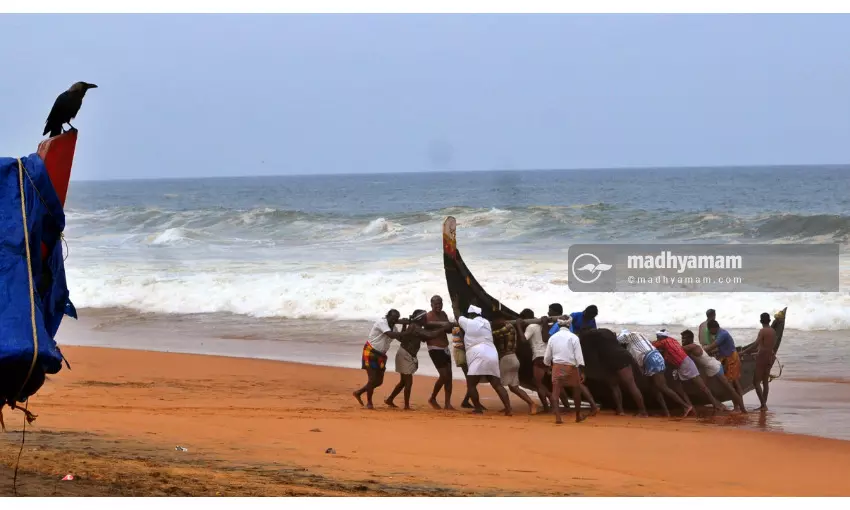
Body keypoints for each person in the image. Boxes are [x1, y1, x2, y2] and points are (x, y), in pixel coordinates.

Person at [617, 329, 692, 417]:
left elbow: (621, 340)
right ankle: (666, 412)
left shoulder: (629, 337)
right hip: (656, 356)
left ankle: (685, 406)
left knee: (662, 386)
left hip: (651, 359)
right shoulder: (639, 335)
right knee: (655, 388)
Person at [385, 310, 450, 410]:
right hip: (405, 355)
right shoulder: (415, 327)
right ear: (420, 319)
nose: (426, 320)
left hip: (406, 355)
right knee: (408, 382)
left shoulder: (414, 327)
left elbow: (405, 337)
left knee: (403, 382)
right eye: (425, 318)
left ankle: (390, 399)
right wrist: (443, 328)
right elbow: (430, 335)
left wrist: (404, 327)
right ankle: (406, 406)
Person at [578, 327, 648, 417]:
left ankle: (622, 410)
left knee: (615, 386)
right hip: (622, 356)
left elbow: (590, 358)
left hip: (609, 361)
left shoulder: (586, 341)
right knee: (631, 385)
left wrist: (584, 371)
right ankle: (641, 410)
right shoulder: (606, 332)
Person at [457, 305, 513, 415]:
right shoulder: (487, 323)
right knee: (496, 384)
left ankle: (478, 408)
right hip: (492, 352)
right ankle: (508, 408)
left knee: (471, 384)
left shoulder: (468, 322)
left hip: (477, 353)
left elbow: (458, 317)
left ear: (471, 315)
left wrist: (457, 305)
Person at [653, 330, 726, 413]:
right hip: (681, 365)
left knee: (701, 387)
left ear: (662, 337)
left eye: (658, 337)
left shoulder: (664, 342)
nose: (657, 338)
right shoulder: (672, 340)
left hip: (685, 364)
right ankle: (690, 407)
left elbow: (652, 345)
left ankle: (714, 405)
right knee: (684, 388)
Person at [682, 329, 746, 413]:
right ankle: (719, 404)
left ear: (690, 339)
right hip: (709, 368)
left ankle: (743, 410)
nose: (682, 340)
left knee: (730, 389)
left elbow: (678, 349)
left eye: (684, 338)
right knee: (705, 389)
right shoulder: (691, 347)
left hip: (714, 367)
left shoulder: (692, 346)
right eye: (682, 338)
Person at [544, 318, 590, 424]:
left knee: (555, 392)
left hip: (557, 366)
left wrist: (547, 366)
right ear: (570, 325)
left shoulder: (552, 338)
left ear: (558, 325)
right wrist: (582, 371)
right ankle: (578, 416)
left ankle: (558, 418)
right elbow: (579, 356)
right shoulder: (574, 337)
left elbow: (547, 357)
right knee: (576, 391)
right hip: (571, 367)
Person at [354, 309, 403, 409]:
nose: (394, 321)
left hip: (381, 355)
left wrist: (405, 326)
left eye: (396, 320)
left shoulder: (393, 327)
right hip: (370, 351)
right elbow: (391, 335)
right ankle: (369, 403)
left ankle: (358, 392)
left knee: (379, 381)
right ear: (388, 316)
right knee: (372, 379)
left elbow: (401, 338)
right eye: (393, 319)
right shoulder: (382, 322)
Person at [492, 316, 538, 414]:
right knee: (513, 387)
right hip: (513, 358)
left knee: (498, 385)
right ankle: (529, 404)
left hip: (507, 359)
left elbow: (493, 334)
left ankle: (513, 406)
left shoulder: (507, 328)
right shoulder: (510, 328)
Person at [516, 308, 552, 412]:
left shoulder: (531, 326)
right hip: (547, 356)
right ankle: (551, 403)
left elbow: (523, 339)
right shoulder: (541, 324)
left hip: (539, 357)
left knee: (537, 383)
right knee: (543, 382)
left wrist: (518, 326)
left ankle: (548, 405)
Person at [424, 295, 455, 410]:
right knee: (444, 375)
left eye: (440, 303)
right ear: (431, 305)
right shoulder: (428, 316)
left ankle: (447, 403)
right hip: (434, 348)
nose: (438, 306)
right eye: (436, 304)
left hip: (445, 347)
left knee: (449, 376)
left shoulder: (444, 314)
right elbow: (427, 329)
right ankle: (432, 398)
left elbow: (448, 330)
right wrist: (443, 326)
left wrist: (451, 326)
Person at [742, 313, 777, 411]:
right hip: (770, 357)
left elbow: (756, 344)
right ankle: (763, 404)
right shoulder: (773, 331)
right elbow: (769, 345)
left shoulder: (762, 331)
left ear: (761, 321)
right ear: (769, 321)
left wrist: (744, 352)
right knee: (765, 382)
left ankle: (763, 405)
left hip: (762, 357)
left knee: (756, 382)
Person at [705, 320, 745, 403]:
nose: (710, 332)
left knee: (732, 383)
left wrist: (700, 351)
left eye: (710, 330)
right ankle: (740, 405)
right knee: (734, 382)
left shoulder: (722, 334)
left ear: (713, 328)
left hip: (731, 358)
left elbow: (712, 346)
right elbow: (718, 348)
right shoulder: (719, 333)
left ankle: (738, 407)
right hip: (726, 358)